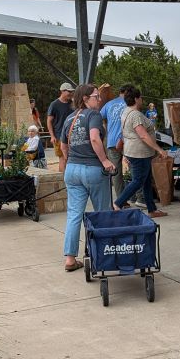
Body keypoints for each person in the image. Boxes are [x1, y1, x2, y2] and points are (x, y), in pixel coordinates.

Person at [60, 83, 115, 273]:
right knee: (102, 212)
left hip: (72, 170)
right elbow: (94, 138)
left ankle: (70, 258)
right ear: (85, 98)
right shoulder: (94, 115)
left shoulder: (69, 119)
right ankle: (104, 253)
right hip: (92, 169)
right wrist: (105, 160)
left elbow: (63, 145)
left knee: (74, 214)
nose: (99, 100)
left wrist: (70, 161)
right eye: (96, 96)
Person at [113, 86, 168, 219]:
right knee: (138, 180)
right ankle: (118, 203)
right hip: (140, 153)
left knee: (146, 181)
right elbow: (143, 135)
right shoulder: (136, 115)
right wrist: (159, 149)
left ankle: (151, 209)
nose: (142, 100)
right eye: (141, 97)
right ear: (137, 99)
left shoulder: (125, 111)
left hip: (134, 151)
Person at [101, 83, 132, 200]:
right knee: (134, 169)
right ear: (128, 93)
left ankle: (121, 200)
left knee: (116, 173)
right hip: (127, 141)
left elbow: (99, 116)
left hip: (111, 141)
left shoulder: (109, 104)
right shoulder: (130, 103)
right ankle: (140, 198)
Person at [46, 82, 75, 173]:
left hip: (72, 135)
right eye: (68, 91)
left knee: (72, 158)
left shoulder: (73, 104)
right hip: (59, 136)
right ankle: (62, 180)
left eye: (71, 92)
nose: (70, 94)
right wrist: (52, 136)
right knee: (63, 158)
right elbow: (49, 120)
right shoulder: (54, 104)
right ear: (62, 91)